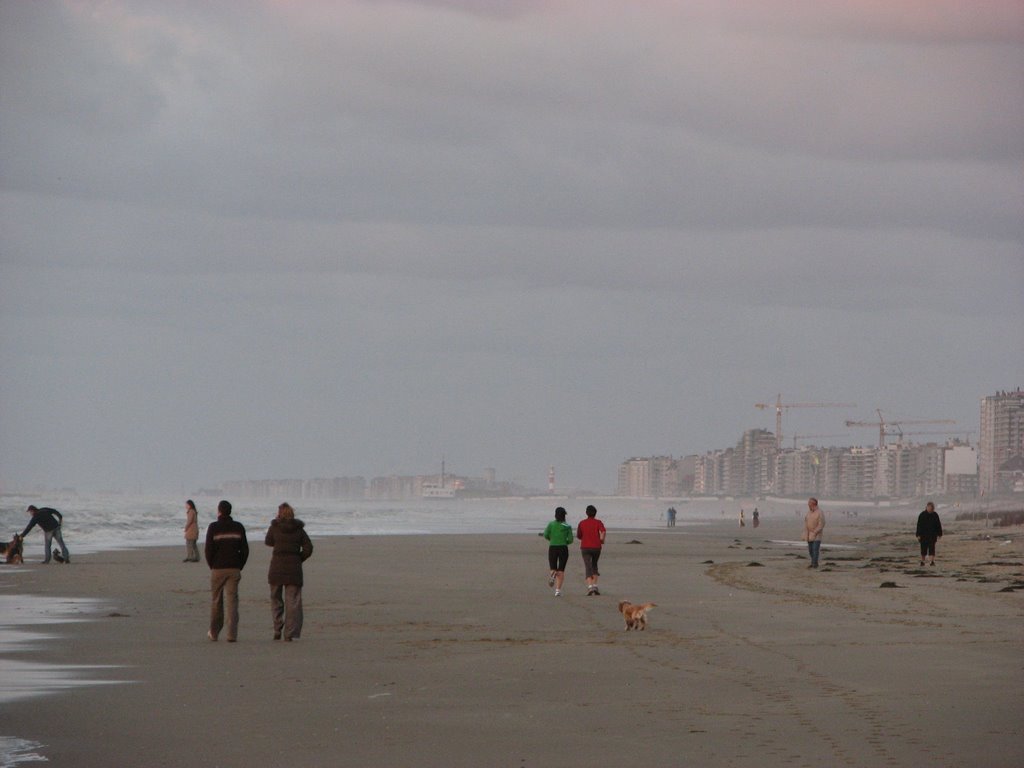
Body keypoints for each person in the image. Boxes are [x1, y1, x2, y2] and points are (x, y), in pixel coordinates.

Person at [265, 502, 314, 641]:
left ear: (279, 513)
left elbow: (268, 541)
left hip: (276, 568)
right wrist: (299, 558)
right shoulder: (299, 529)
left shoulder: (275, 527)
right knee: (292, 602)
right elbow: (308, 548)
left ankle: (277, 628)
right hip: (294, 568)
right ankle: (289, 633)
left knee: (276, 599)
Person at [205, 499, 249, 642]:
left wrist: (212, 564)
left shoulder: (213, 527)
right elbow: (245, 549)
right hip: (234, 567)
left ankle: (214, 632)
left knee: (216, 600)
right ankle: (232, 634)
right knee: (232, 601)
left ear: (219, 511)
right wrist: (240, 564)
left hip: (218, 568)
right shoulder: (238, 527)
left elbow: (208, 549)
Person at [541, 506, 573, 597]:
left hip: (553, 547)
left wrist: (552, 539)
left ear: (555, 515)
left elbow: (545, 535)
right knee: (561, 570)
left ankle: (553, 574)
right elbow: (570, 540)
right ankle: (558, 590)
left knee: (553, 568)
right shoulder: (567, 526)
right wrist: (564, 541)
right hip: (563, 548)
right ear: (564, 515)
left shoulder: (551, 524)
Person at [576, 504, 606, 596]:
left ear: (586, 513)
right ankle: (595, 585)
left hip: (585, 547)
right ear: (595, 513)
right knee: (594, 565)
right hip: (596, 547)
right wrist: (602, 539)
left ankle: (590, 587)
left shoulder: (582, 523)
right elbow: (603, 531)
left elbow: (579, 536)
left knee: (587, 566)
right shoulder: (598, 522)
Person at [916, 501, 943, 567]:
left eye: (932, 509)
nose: (931, 510)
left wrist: (940, 534)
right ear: (927, 507)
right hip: (923, 535)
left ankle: (932, 561)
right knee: (923, 550)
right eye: (931, 508)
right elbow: (919, 525)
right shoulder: (922, 515)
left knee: (932, 549)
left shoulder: (935, 515)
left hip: (932, 535)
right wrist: (918, 535)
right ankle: (923, 561)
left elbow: (938, 525)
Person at [802, 497, 825, 569]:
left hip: (816, 535)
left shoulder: (820, 512)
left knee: (815, 550)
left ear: (813, 504)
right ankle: (814, 562)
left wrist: (815, 531)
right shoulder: (809, 512)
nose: (808, 504)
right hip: (809, 534)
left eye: (809, 503)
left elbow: (822, 524)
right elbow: (806, 522)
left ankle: (814, 564)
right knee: (810, 550)